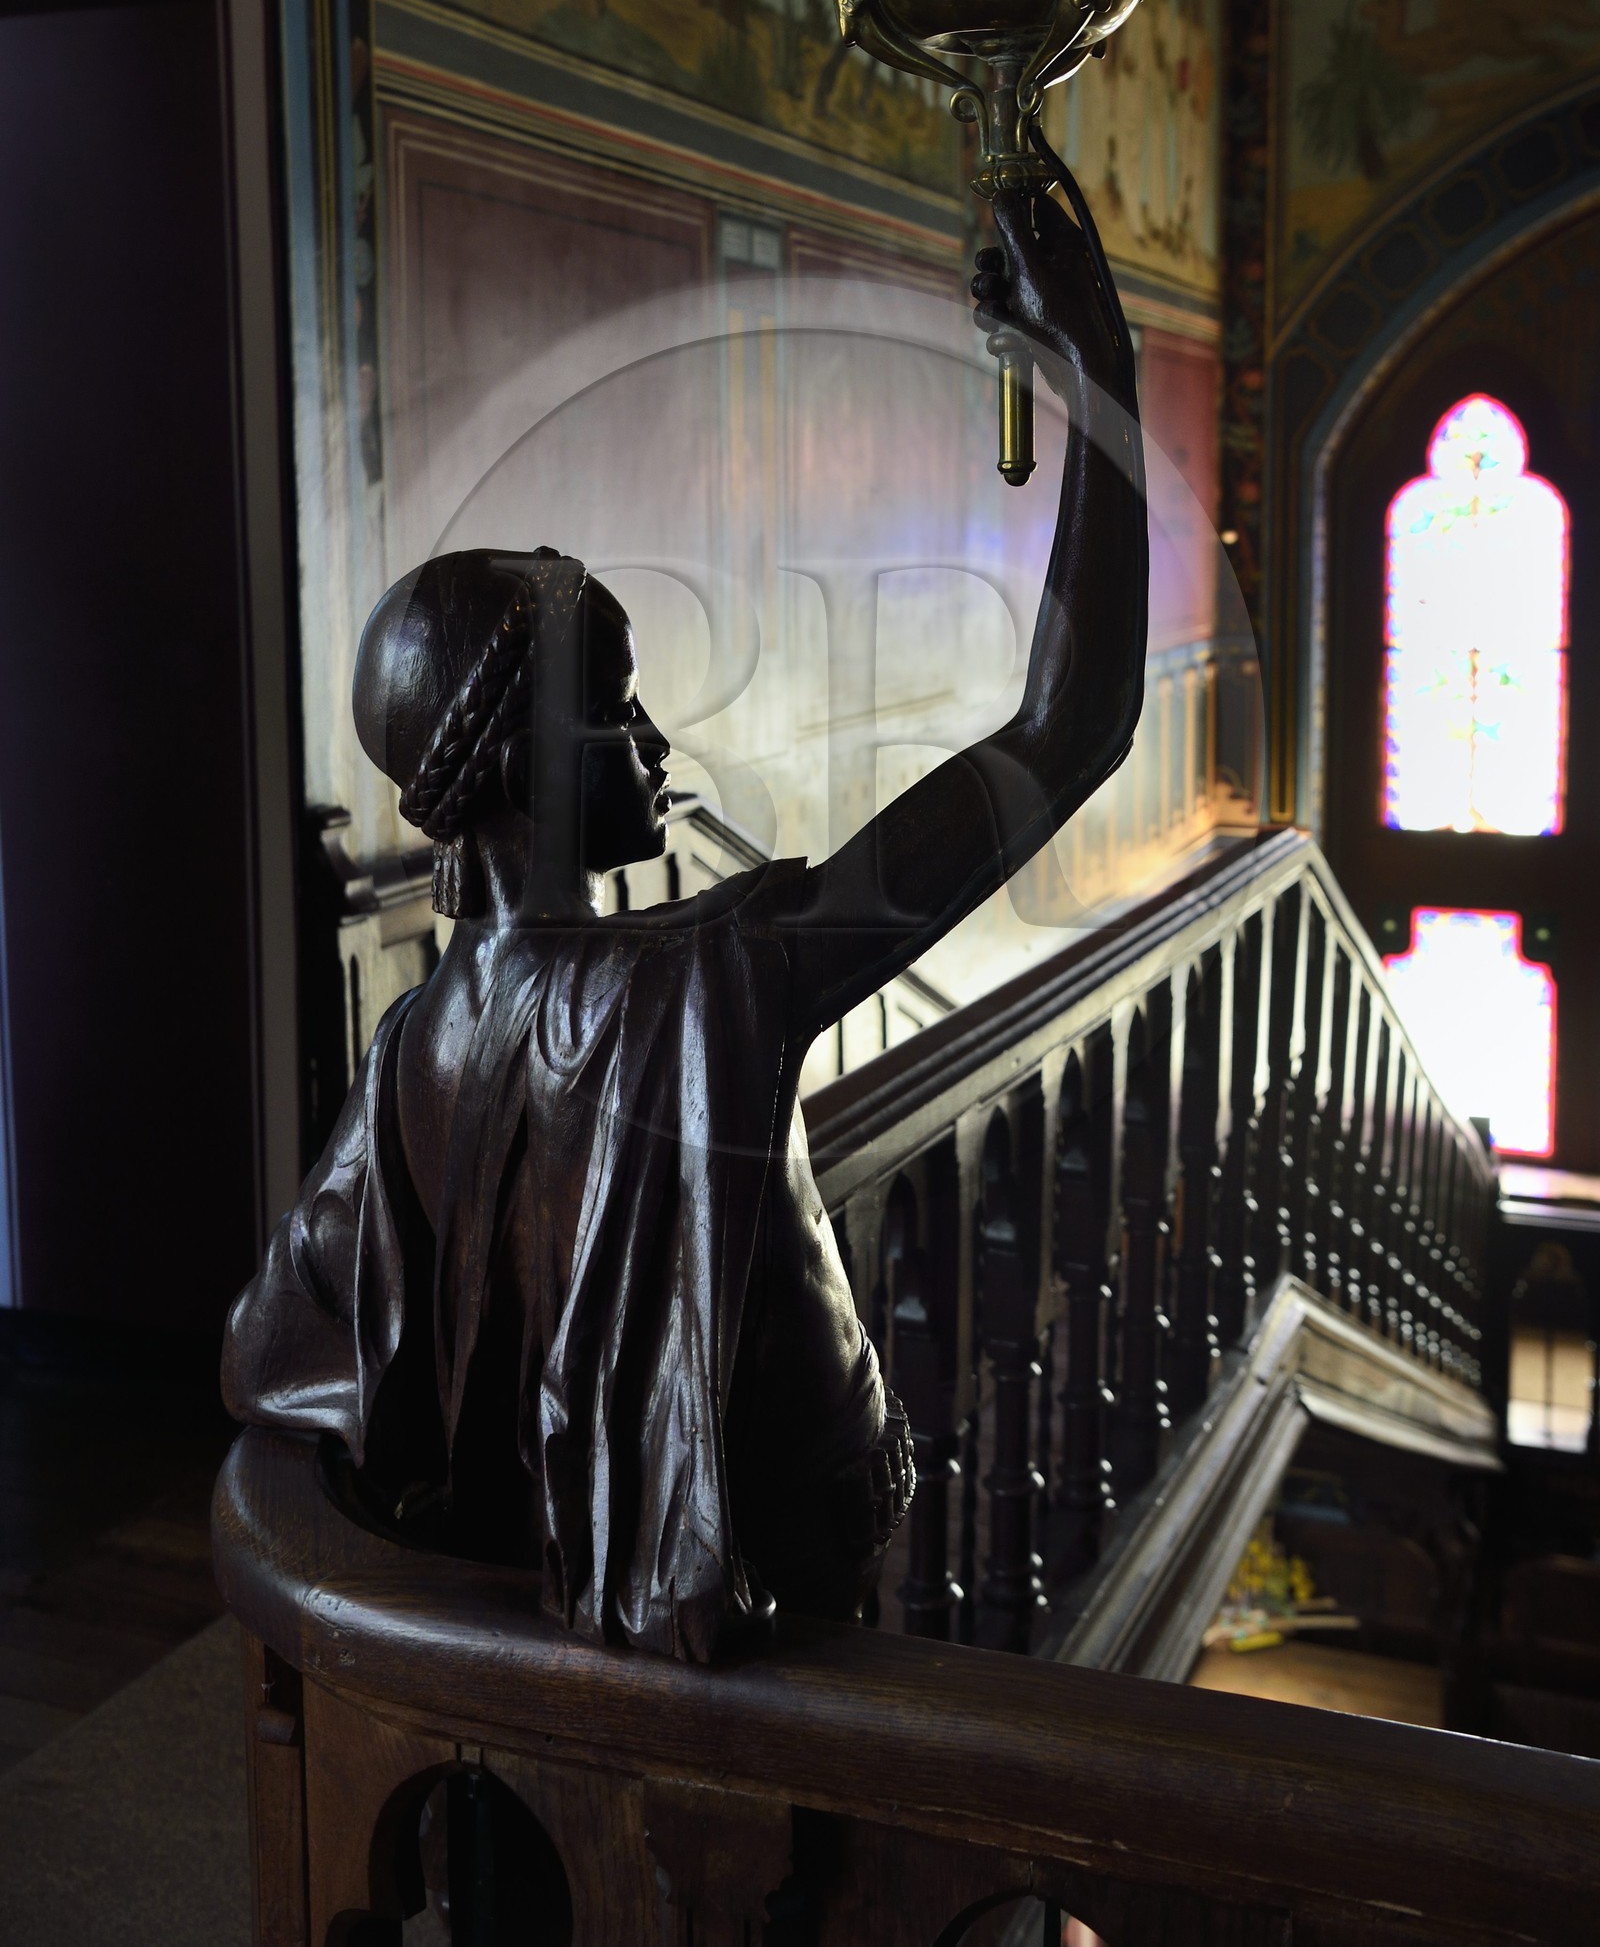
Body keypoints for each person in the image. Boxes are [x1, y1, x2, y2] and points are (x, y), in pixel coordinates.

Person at [222, 169, 1148, 1660]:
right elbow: (1068, 731)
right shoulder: (714, 977)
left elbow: (273, 1351)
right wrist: (1101, 374)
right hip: (782, 1613)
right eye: (614, 710)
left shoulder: (411, 1042)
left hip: (524, 1621)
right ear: (516, 755)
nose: (653, 746)